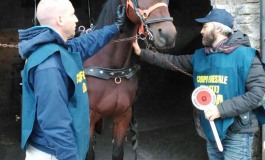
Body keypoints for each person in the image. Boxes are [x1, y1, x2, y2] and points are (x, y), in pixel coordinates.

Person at [133, 8, 265, 160]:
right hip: (211, 129)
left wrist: (220, 110)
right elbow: (173, 62)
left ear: (218, 28)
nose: (201, 31)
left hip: (236, 132)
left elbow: (256, 94)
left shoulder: (246, 56)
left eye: (205, 26)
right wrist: (142, 52)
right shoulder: (201, 56)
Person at [18, 0, 125, 159]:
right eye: (72, 14)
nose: (76, 19)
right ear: (60, 20)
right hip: (53, 154)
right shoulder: (49, 66)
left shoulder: (59, 48)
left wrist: (115, 27)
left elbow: (86, 43)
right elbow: (55, 124)